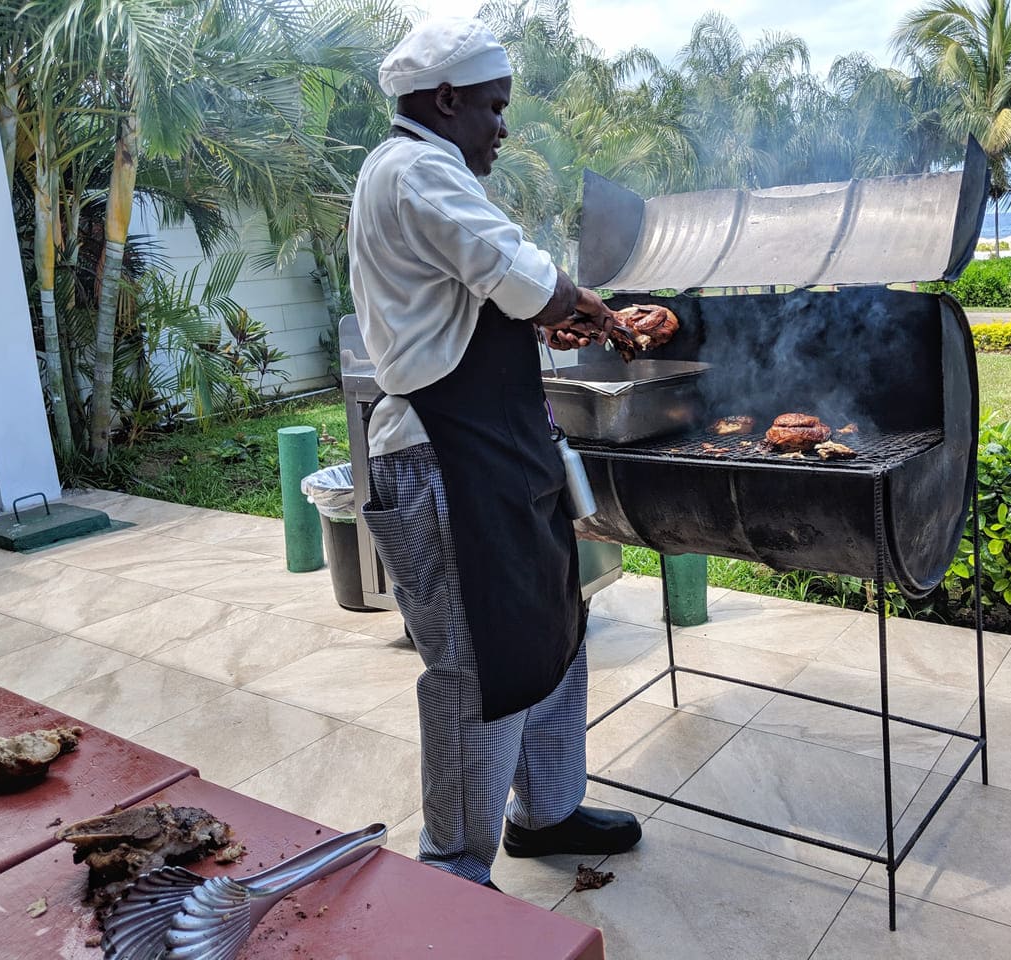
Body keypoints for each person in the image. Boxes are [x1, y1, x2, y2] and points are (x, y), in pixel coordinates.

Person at [348, 17, 642, 890]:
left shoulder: (425, 169)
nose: (503, 127)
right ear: (444, 101)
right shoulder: (412, 169)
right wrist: (585, 302)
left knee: (553, 628)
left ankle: (544, 812)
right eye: (492, 107)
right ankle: (453, 871)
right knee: (477, 669)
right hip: (441, 464)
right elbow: (513, 272)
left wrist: (561, 315)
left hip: (496, 455)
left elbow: (489, 302)